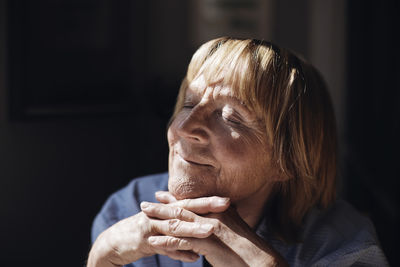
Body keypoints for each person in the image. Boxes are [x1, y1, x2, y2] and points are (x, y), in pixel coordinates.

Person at [87, 37, 388, 267]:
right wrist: (101, 257)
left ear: (287, 160)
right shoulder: (126, 207)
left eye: (230, 117)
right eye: (189, 104)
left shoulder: (343, 243)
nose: (185, 126)